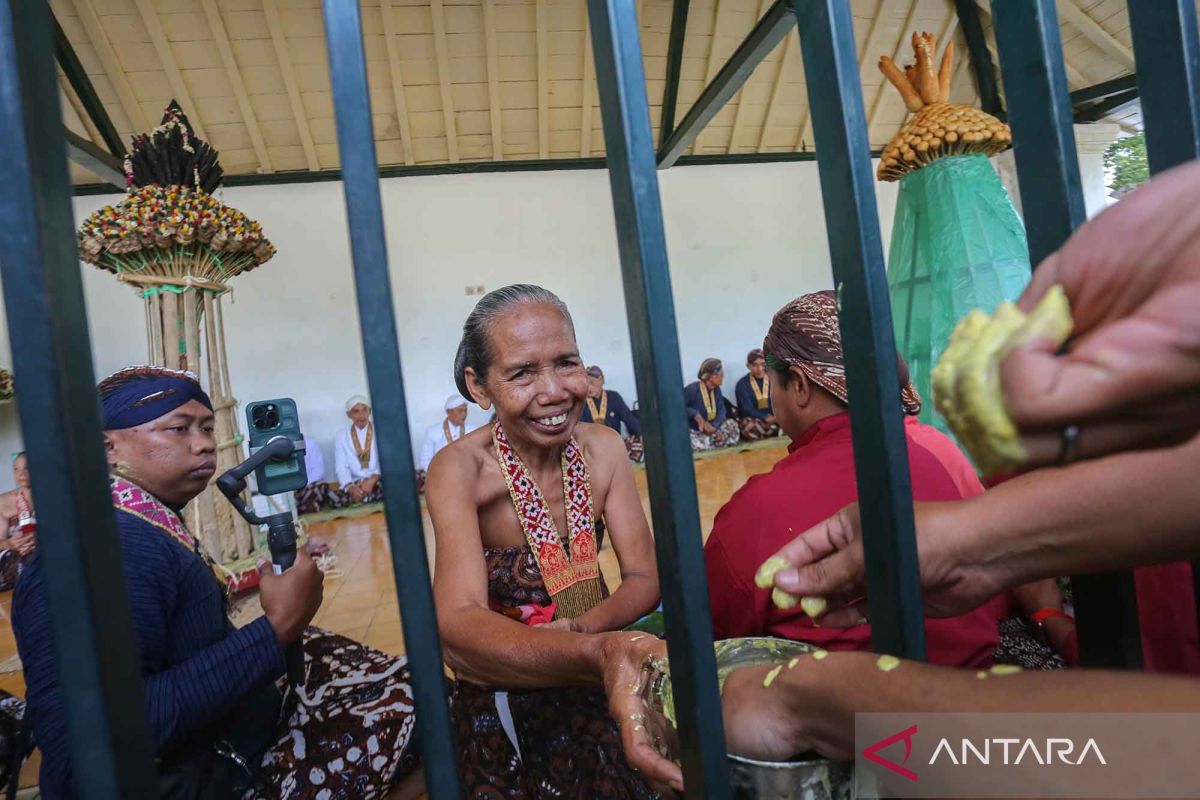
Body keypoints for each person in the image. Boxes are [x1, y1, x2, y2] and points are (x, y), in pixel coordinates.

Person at [606, 158, 1200, 790]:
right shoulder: (945, 455)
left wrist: (824, 696)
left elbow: (1130, 758)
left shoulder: (755, 511)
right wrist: (985, 546)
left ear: (798, 386)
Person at [13, 367, 421, 798]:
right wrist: (276, 628)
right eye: (178, 429)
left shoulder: (134, 524)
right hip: (192, 779)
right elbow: (98, 741)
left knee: (341, 656)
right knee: (425, 705)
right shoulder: (105, 548)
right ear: (107, 447)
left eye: (207, 427)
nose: (205, 442)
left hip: (216, 738)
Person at [705, 292, 1030, 668]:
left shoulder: (756, 510)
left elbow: (719, 638)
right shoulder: (932, 456)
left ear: (798, 385)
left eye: (776, 382)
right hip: (974, 690)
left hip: (844, 719)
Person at [426, 284, 662, 798]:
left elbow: (645, 577)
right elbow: (459, 621)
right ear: (479, 385)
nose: (553, 390)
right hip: (510, 688)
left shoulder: (603, 448)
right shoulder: (460, 470)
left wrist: (586, 632)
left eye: (565, 363)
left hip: (603, 664)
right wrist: (589, 650)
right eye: (522, 373)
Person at [581, 365, 644, 462]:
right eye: (585, 383)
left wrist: (640, 435)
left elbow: (629, 420)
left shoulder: (614, 397)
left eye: (592, 383)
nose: (589, 388)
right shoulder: (581, 402)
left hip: (613, 444)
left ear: (601, 380)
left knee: (639, 445)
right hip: (591, 447)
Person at [332, 394, 383, 505]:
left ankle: (364, 497)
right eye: (356, 411)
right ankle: (363, 495)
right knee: (333, 497)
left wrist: (373, 479)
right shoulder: (341, 436)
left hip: (378, 478)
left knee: (391, 486)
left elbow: (388, 459)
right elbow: (341, 466)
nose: (361, 415)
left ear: (370, 411)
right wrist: (350, 487)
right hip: (356, 482)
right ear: (348, 415)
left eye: (365, 410)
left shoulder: (381, 430)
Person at [417, 395, 472, 492]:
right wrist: (441, 474)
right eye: (460, 411)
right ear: (448, 412)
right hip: (441, 478)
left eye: (465, 410)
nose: (464, 414)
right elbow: (424, 460)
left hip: (468, 477)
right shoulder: (433, 431)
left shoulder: (473, 430)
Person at [684, 358, 740, 451]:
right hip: (696, 430)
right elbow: (678, 409)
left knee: (732, 425)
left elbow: (722, 411)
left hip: (712, 428)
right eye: (721, 375)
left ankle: (711, 441)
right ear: (711, 377)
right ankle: (712, 442)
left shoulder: (717, 390)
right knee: (689, 439)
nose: (723, 377)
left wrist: (714, 426)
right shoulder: (692, 389)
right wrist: (695, 415)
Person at [0, 453, 36, 590]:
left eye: (26, 468)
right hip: (15, 570)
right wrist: (9, 543)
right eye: (16, 469)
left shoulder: (54, 497)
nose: (21, 473)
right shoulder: (3, 502)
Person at [733, 349, 780, 441]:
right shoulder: (742, 384)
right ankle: (776, 431)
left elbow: (782, 401)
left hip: (776, 418)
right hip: (756, 420)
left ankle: (774, 430)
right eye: (755, 365)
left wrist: (777, 417)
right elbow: (746, 409)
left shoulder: (774, 379)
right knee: (748, 426)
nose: (760, 369)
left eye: (763, 364)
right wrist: (765, 417)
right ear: (748, 366)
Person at [292, 434, 333, 515]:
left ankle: (300, 507)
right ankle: (305, 506)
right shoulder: (274, 447)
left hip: (307, 487)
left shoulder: (309, 442)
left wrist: (301, 484)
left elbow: (319, 471)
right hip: (287, 491)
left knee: (321, 487)